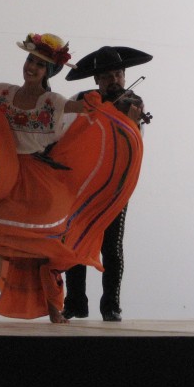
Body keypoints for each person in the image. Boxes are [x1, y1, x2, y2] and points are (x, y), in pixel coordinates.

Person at [0, 31, 142, 323]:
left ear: (49, 72)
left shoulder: (54, 101)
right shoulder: (2, 92)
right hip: (7, 175)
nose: (32, 67)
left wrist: (116, 116)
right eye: (31, 60)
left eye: (40, 64)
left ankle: (56, 308)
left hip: (41, 180)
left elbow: (86, 115)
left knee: (45, 247)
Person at [61, 45, 152, 321]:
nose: (114, 81)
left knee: (112, 246)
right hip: (82, 185)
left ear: (124, 76)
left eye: (118, 75)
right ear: (97, 80)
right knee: (75, 242)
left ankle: (111, 305)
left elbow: (134, 146)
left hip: (114, 188)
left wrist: (133, 125)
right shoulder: (79, 99)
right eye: (107, 77)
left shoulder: (133, 103)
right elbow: (64, 135)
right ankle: (75, 302)